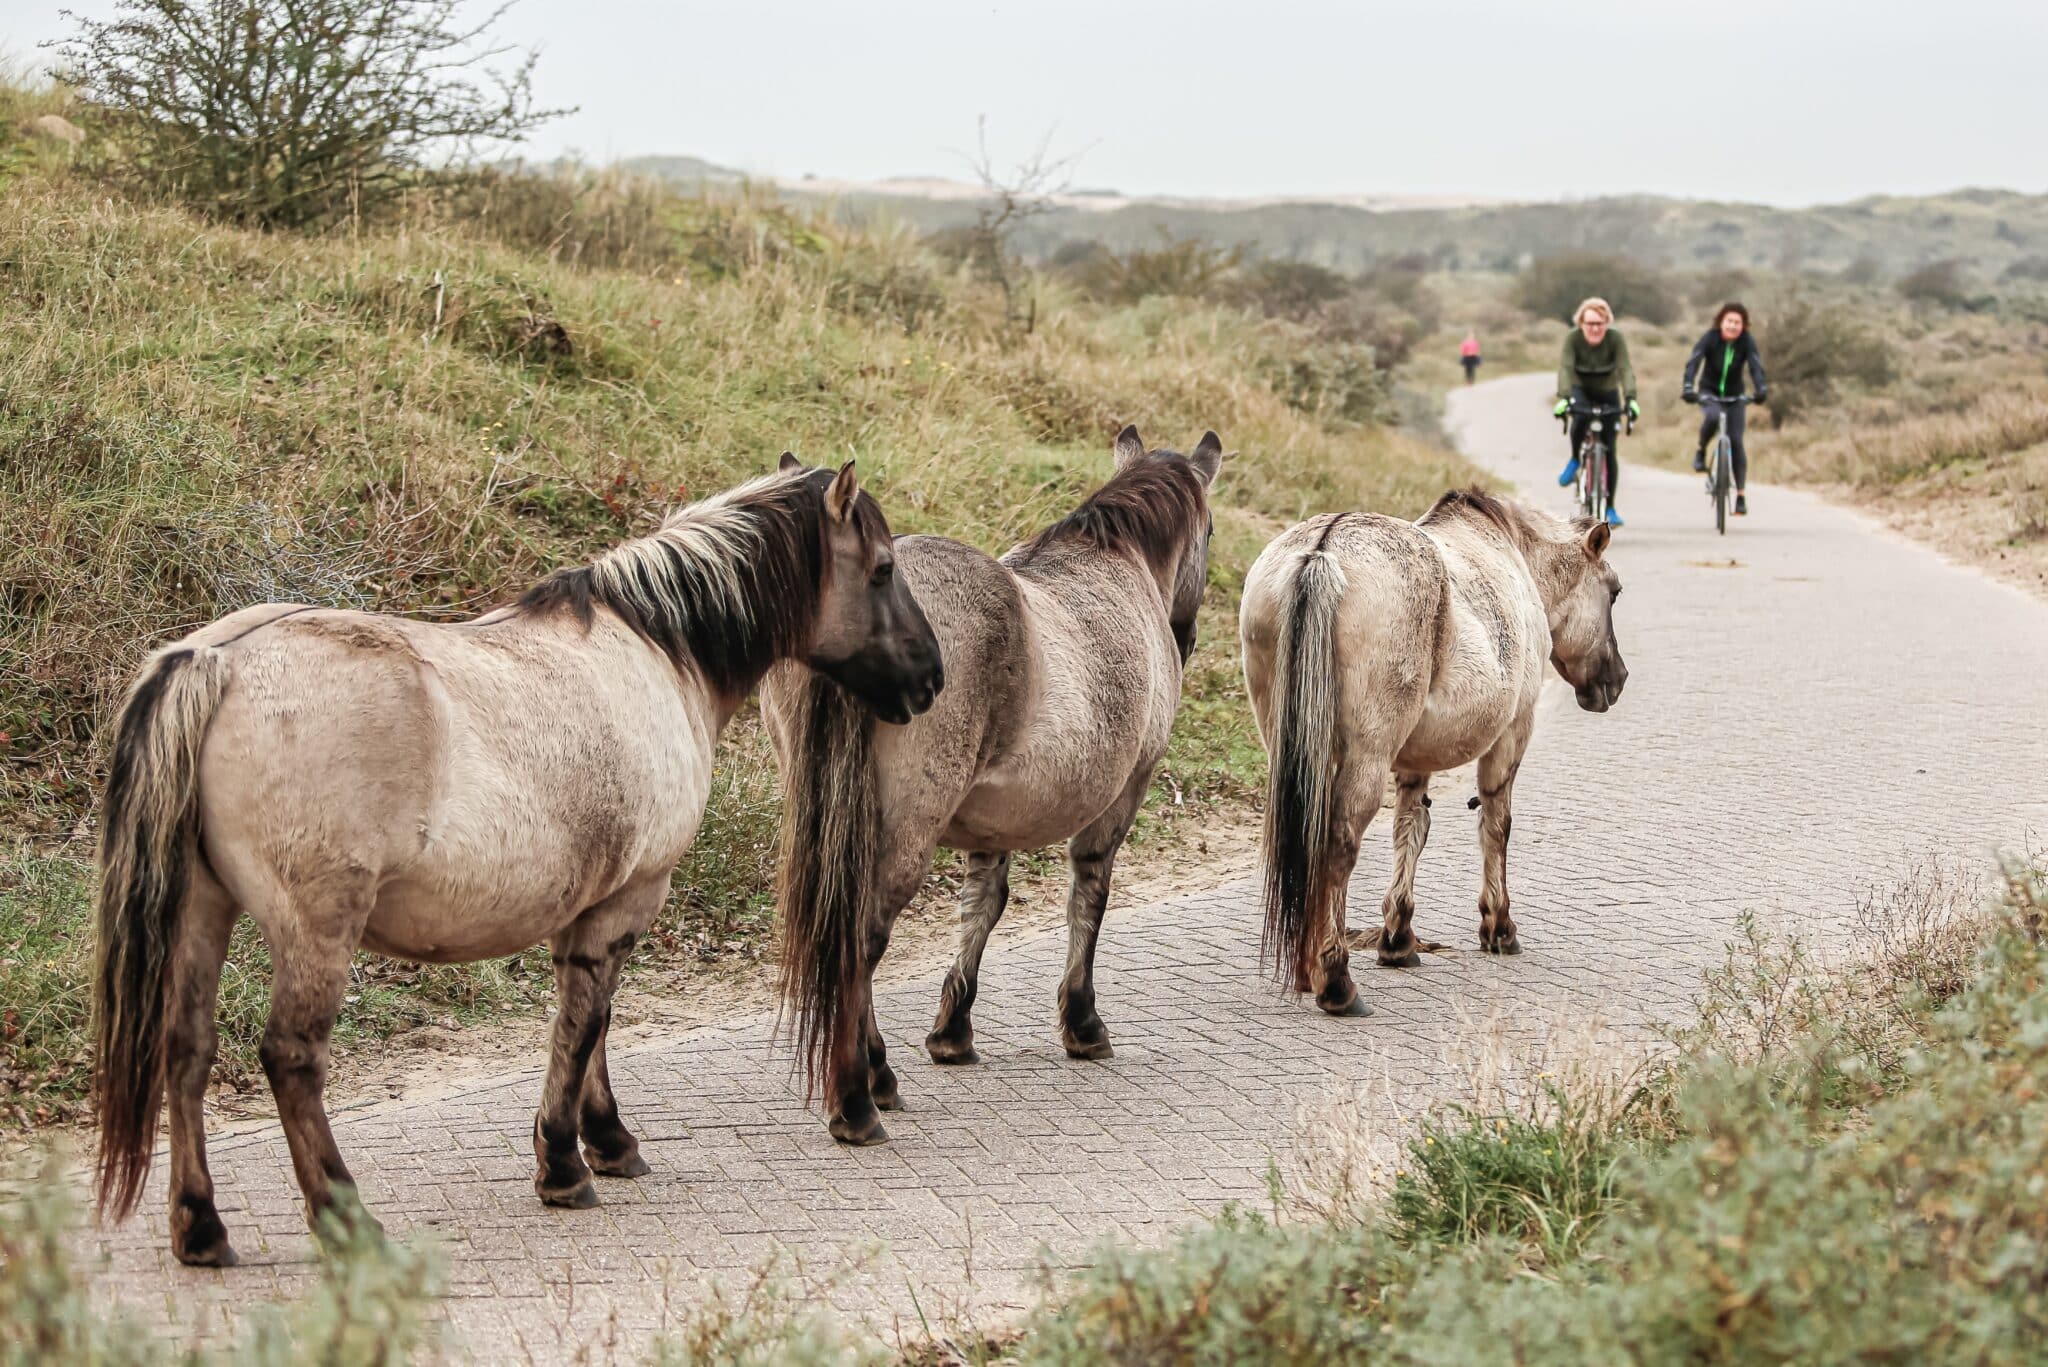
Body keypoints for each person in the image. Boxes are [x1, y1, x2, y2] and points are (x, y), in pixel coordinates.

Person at [1553, 297, 1638, 528]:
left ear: (1607, 323)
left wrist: (1631, 399)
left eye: (1600, 323)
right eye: (1590, 323)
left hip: (1608, 392)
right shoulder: (1573, 339)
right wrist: (1563, 397)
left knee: (1610, 451)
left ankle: (1610, 507)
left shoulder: (1615, 339)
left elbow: (1625, 369)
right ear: (1581, 323)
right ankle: (1574, 460)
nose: (1595, 328)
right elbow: (1566, 368)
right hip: (1581, 389)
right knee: (1579, 418)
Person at [1681, 302, 1768, 516]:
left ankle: (1740, 496)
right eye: (1729, 321)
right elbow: (1694, 362)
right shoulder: (1710, 338)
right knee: (1711, 417)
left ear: (1744, 326)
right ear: (1721, 322)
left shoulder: (1747, 342)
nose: (1732, 326)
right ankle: (1701, 450)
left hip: (1735, 395)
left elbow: (1755, 366)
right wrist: (1688, 386)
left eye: (1737, 323)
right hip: (1709, 391)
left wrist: (1761, 388)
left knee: (1736, 440)